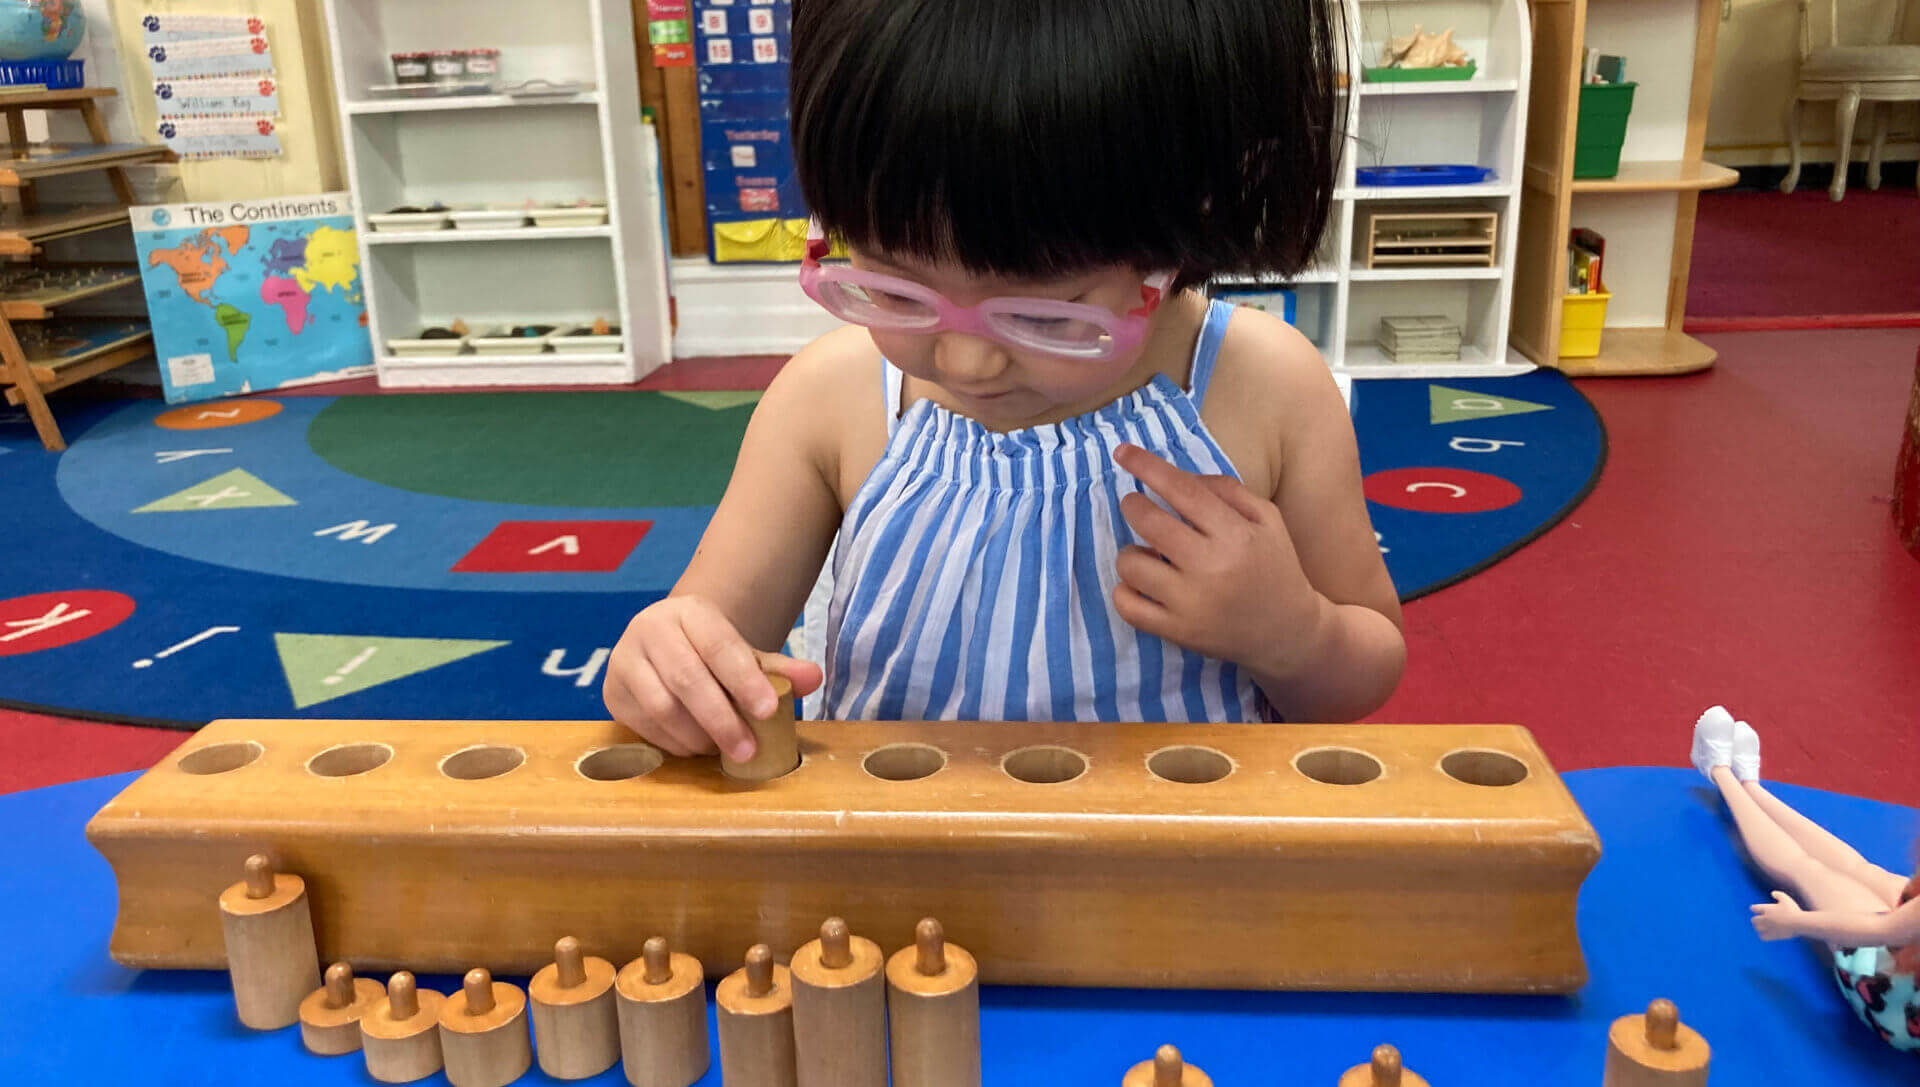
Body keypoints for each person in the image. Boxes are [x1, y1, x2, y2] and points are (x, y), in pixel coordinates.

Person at [605, 0, 1403, 758]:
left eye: (1047, 315)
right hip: (895, 880)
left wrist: (1294, 634)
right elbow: (706, 635)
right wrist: (667, 661)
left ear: (1191, 212)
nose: (967, 362)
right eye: (896, 288)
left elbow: (1364, 669)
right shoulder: (830, 400)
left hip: (1176, 882)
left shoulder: (1264, 392)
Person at [1691, 706, 1920, 1053]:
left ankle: (1719, 771)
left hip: (1890, 999)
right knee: (1862, 870)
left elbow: (1879, 932)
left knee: (1809, 869)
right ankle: (1753, 789)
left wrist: (1797, 922)